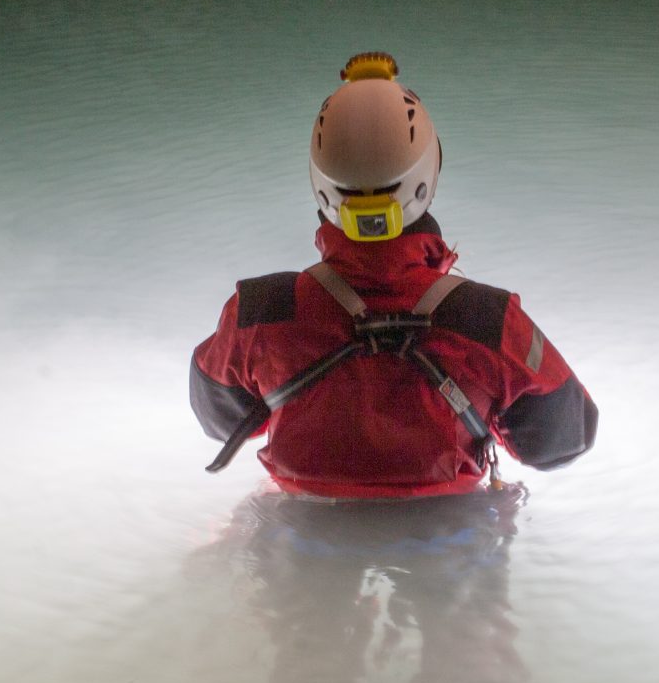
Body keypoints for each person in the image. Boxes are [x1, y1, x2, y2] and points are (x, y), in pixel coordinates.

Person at [190, 53, 598, 498]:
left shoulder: (256, 313)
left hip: (298, 534)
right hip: (448, 542)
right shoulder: (492, 321)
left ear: (319, 183)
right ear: (430, 170)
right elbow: (564, 440)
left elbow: (217, 422)